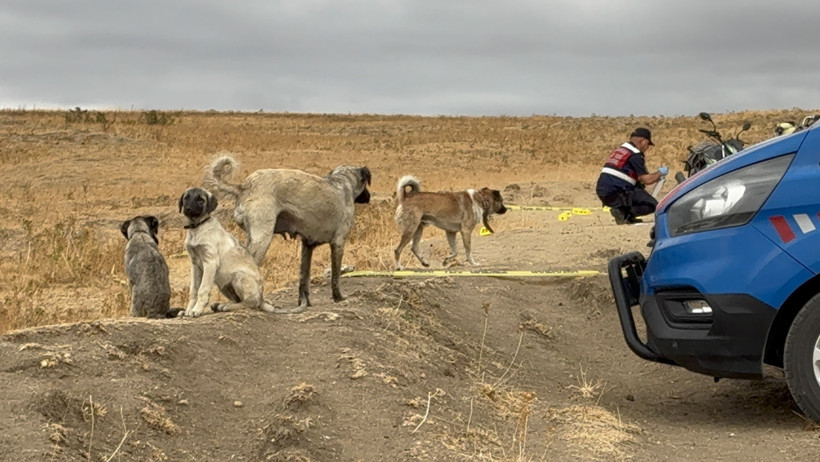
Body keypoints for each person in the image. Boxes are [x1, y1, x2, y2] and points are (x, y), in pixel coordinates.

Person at [595, 127, 667, 224]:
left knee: (639, 189)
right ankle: (623, 213)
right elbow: (647, 180)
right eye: (648, 143)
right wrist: (660, 173)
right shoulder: (635, 155)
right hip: (617, 191)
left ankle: (625, 215)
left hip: (604, 191)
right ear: (642, 140)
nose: (648, 147)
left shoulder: (622, 150)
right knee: (652, 205)